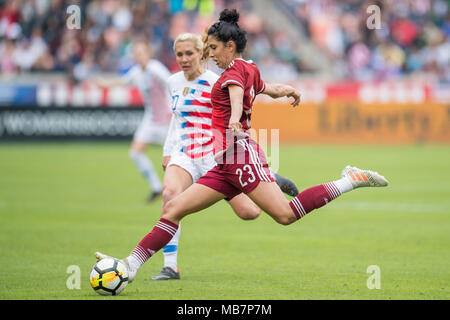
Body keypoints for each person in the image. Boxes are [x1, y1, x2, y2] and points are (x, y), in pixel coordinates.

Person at [95, 9, 388, 284]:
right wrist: (288, 90)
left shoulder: (231, 74)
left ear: (230, 46)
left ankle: (348, 180)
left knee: (285, 215)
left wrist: (235, 118)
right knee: (172, 209)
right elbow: (268, 89)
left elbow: (236, 96)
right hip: (224, 163)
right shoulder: (249, 68)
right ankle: (129, 266)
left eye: (212, 48)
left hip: (239, 155)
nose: (209, 54)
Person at [151, 32, 299, 280]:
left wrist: (241, 149)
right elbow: (175, 120)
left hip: (215, 154)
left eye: (190, 53)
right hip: (185, 153)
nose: (184, 59)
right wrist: (168, 151)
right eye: (179, 54)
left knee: (249, 213)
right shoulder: (172, 82)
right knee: (169, 195)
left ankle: (265, 176)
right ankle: (170, 266)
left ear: (202, 53)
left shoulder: (217, 81)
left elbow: (235, 118)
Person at [94, 40, 172, 202]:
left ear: (149, 54)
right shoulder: (136, 72)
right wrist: (104, 85)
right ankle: (156, 187)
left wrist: (175, 107)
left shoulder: (156, 68)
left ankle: (184, 187)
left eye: (142, 52)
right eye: (137, 53)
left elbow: (172, 84)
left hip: (167, 120)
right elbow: (123, 81)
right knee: (135, 152)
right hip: (150, 120)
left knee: (174, 158)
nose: (140, 56)